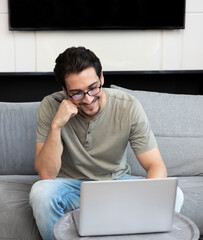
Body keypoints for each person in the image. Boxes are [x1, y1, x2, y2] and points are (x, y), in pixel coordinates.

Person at [29, 46, 184, 240]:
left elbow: (155, 165)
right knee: (40, 193)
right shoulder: (50, 105)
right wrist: (56, 126)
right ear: (64, 90)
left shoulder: (127, 106)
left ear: (102, 78)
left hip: (115, 183)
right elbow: (46, 175)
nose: (88, 99)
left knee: (175, 194)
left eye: (93, 87)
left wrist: (147, 200)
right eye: (76, 93)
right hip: (70, 187)